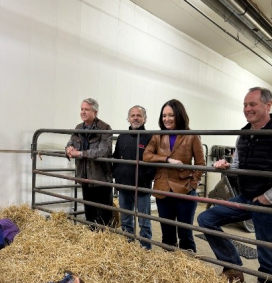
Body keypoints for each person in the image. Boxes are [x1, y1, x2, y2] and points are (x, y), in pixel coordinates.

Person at [198, 87, 272, 283]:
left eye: (253, 104)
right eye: (245, 104)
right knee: (206, 219)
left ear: (268, 105)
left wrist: (270, 197)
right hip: (246, 197)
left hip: (268, 203)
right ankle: (233, 267)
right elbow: (237, 167)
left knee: (267, 255)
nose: (247, 109)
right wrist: (225, 166)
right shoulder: (243, 135)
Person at [143, 99, 205, 252]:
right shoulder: (158, 136)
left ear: (179, 115)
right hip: (162, 190)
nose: (167, 119)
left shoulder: (191, 136)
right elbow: (146, 155)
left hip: (185, 190)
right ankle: (170, 267)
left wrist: (193, 184)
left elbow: (200, 163)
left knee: (185, 234)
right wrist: (167, 159)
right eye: (164, 116)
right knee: (167, 233)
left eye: (171, 115)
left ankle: (189, 267)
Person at [113, 105, 156, 250]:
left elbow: (153, 162)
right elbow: (115, 157)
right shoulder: (122, 137)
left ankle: (145, 249)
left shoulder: (150, 137)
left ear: (145, 118)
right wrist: (116, 175)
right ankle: (128, 248)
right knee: (126, 219)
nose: (135, 118)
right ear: (128, 118)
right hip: (124, 185)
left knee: (144, 221)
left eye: (139, 115)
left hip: (142, 186)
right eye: (133, 115)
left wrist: (146, 177)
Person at [66, 98, 113, 227]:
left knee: (104, 212)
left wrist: (81, 153)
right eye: (82, 109)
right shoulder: (78, 128)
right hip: (84, 176)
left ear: (95, 112)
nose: (83, 112)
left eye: (87, 109)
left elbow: (103, 151)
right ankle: (92, 238)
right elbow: (70, 142)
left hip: (100, 177)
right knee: (90, 211)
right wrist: (68, 149)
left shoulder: (105, 128)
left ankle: (105, 240)